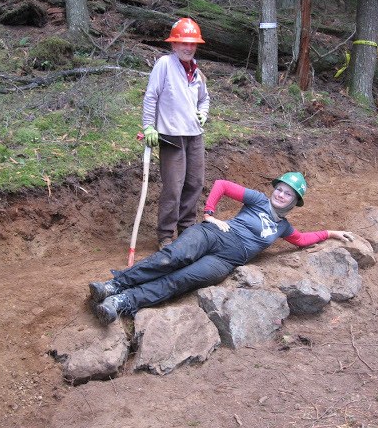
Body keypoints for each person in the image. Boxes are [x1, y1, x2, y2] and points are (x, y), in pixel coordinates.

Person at [88, 172, 355, 326]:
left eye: (288, 193)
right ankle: (114, 285)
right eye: (280, 189)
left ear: (295, 202)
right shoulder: (258, 199)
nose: (281, 194)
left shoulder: (283, 228)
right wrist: (210, 214)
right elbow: (222, 185)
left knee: (180, 280)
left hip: (225, 261)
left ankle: (121, 302)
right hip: (214, 234)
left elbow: (303, 239)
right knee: (174, 256)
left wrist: (331, 232)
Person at [142, 17, 210, 251]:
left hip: (194, 135)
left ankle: (187, 228)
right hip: (171, 135)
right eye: (183, 43)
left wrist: (203, 113)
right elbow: (151, 96)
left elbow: (204, 99)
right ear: (173, 44)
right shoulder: (164, 64)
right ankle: (166, 235)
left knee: (195, 182)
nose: (188, 47)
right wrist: (148, 126)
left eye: (192, 43)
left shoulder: (196, 71)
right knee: (173, 185)